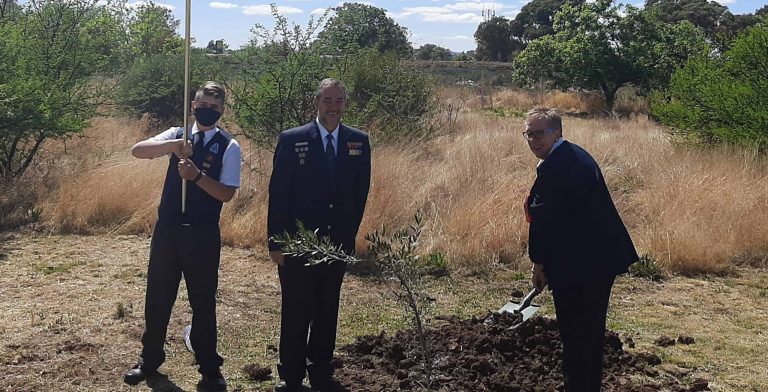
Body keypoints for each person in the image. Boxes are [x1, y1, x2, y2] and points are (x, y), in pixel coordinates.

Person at [124, 81, 241, 392]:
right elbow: (138, 151)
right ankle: (149, 360)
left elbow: (226, 193)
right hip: (168, 232)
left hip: (202, 235)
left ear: (221, 111)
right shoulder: (178, 134)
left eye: (215, 107)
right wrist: (172, 148)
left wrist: (197, 177)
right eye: (203, 104)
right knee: (158, 297)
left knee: (203, 301)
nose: (208, 110)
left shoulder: (229, 146)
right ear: (193, 105)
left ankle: (209, 367)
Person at [523, 107, 638, 392]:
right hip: (597, 259)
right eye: (529, 134)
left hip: (583, 266)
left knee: (576, 337)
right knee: (590, 335)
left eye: (540, 134)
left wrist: (538, 263)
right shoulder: (573, 154)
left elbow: (542, 221)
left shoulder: (559, 166)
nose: (533, 140)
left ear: (557, 132)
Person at [267, 78, 371, 392]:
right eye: (328, 100)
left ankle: (321, 371)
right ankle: (292, 375)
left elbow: (360, 193)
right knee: (296, 310)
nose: (333, 107)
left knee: (327, 309)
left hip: (336, 244)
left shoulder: (358, 141)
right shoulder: (292, 139)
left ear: (345, 104)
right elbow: (279, 193)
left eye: (339, 100)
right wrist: (276, 241)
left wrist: (348, 236)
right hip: (298, 244)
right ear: (317, 102)